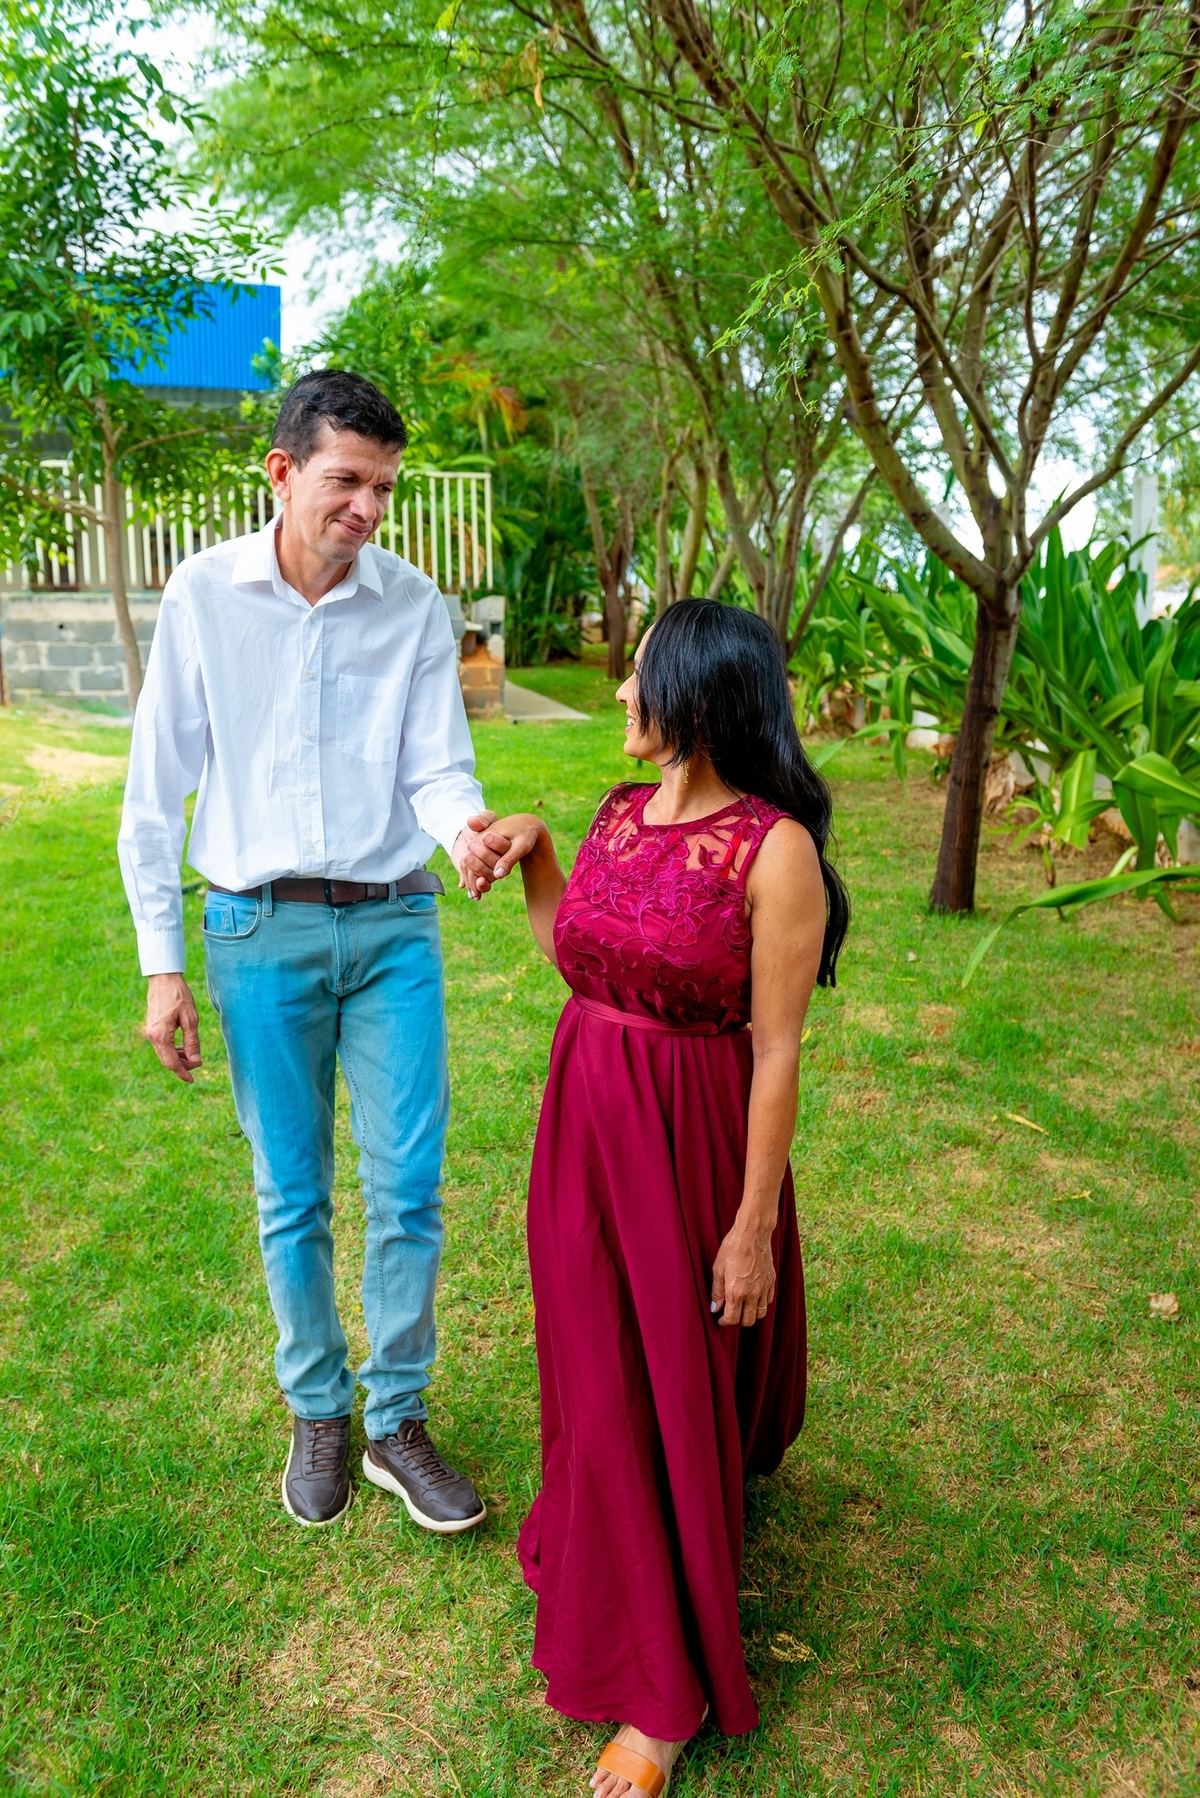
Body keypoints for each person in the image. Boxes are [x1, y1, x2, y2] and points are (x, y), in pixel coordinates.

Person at [118, 370, 506, 1531]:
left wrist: (464, 831)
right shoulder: (203, 596)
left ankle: (397, 1419)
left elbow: (436, 765)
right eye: (347, 481)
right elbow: (155, 794)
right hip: (255, 929)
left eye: (384, 487)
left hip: (393, 926)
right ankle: (318, 1407)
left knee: (409, 1187)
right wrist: (162, 964)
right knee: (291, 1193)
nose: (368, 508)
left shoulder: (414, 604)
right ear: (282, 473)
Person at [478, 600, 849, 1797]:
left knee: (661, 1379)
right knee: (593, 1363)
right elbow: (583, 963)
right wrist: (541, 853)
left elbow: (778, 1053)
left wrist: (751, 1228)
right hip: (584, 1127)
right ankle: (609, 1541)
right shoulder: (617, 813)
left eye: (638, 675)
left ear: (695, 691)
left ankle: (662, 1693)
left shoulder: (774, 852)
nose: (621, 694)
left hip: (689, 1143)